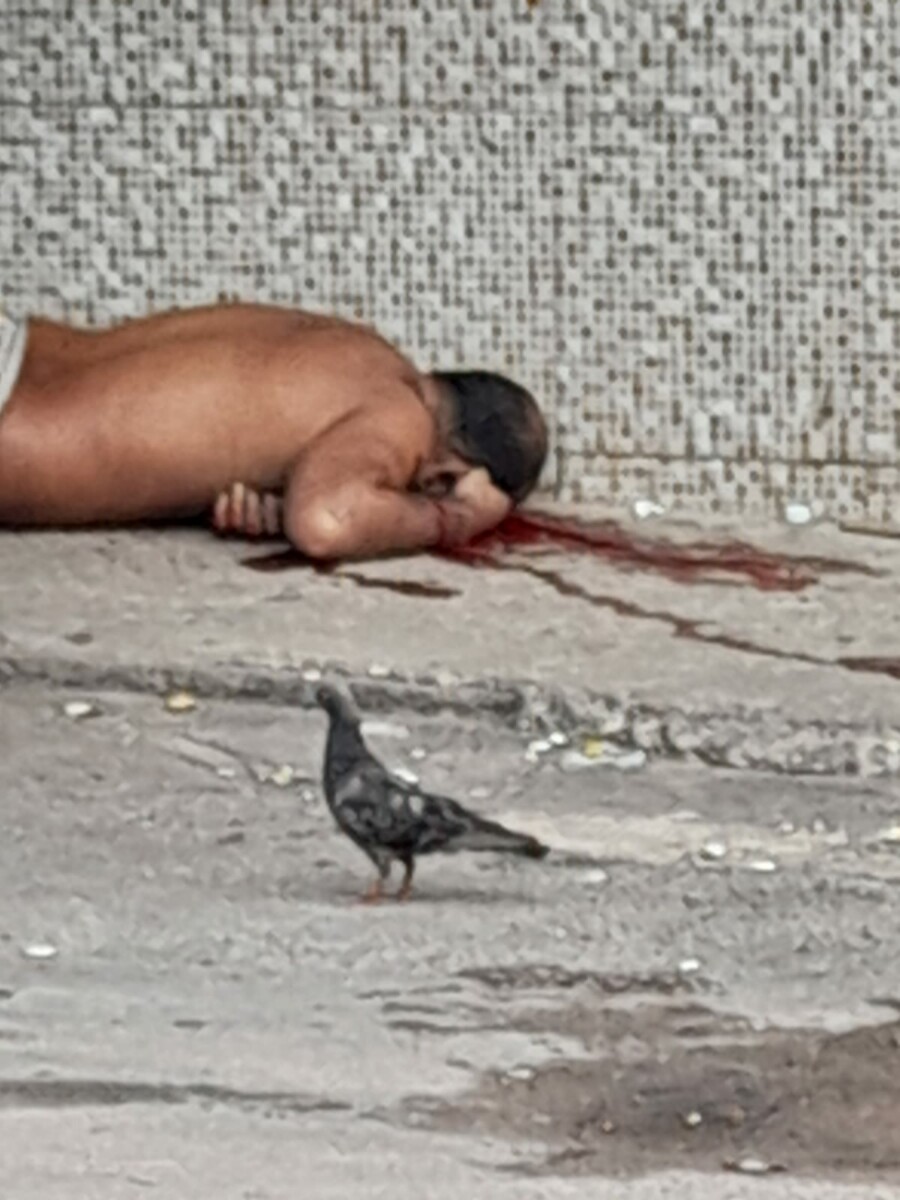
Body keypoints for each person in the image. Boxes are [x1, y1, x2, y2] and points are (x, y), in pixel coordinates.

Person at [0, 303, 547, 559]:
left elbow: (221, 414)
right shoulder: (402, 417)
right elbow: (327, 523)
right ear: (446, 476)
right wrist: (451, 520)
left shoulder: (360, 348)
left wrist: (276, 500)